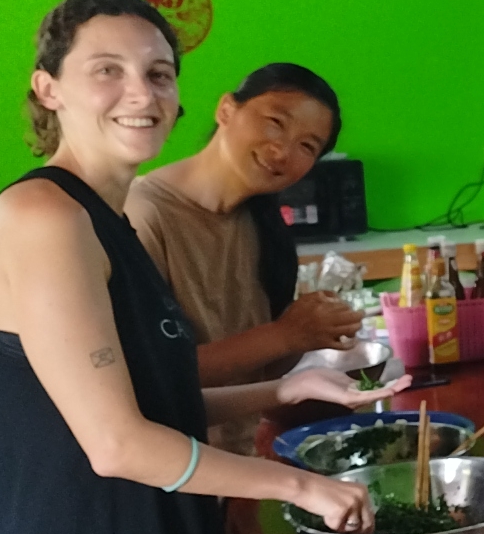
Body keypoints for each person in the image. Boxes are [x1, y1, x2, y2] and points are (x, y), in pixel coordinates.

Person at [0, 0, 408, 534]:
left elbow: (151, 401)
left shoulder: (104, 221)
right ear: (48, 87)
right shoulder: (44, 219)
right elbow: (118, 443)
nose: (141, 93)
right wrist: (299, 485)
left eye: (159, 73)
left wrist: (285, 384)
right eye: (108, 70)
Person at [125, 62, 363, 454]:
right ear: (226, 110)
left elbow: (262, 368)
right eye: (275, 122)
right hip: (174, 465)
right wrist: (284, 334)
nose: (282, 151)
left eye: (307, 146)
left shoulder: (259, 223)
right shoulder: (142, 215)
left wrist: (308, 331)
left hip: (239, 457)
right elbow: (150, 376)